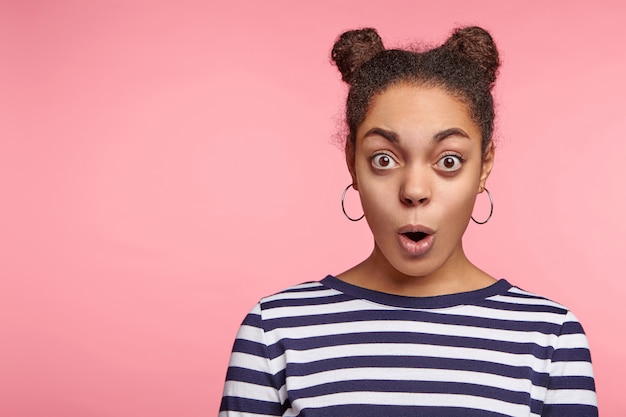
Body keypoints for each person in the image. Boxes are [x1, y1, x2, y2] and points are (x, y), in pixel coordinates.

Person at [219, 26, 598, 416]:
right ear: (352, 161)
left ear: (484, 166)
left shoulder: (550, 338)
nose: (414, 190)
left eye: (448, 161)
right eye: (384, 159)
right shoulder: (275, 330)